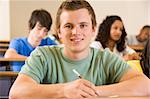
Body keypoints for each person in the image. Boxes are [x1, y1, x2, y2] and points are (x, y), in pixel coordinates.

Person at [9, 0, 150, 99]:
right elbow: (17, 92)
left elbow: (145, 85)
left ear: (93, 29)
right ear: (59, 31)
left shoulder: (105, 58)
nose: (76, 32)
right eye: (68, 26)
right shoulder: (42, 55)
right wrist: (64, 90)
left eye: (83, 25)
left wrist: (92, 92)